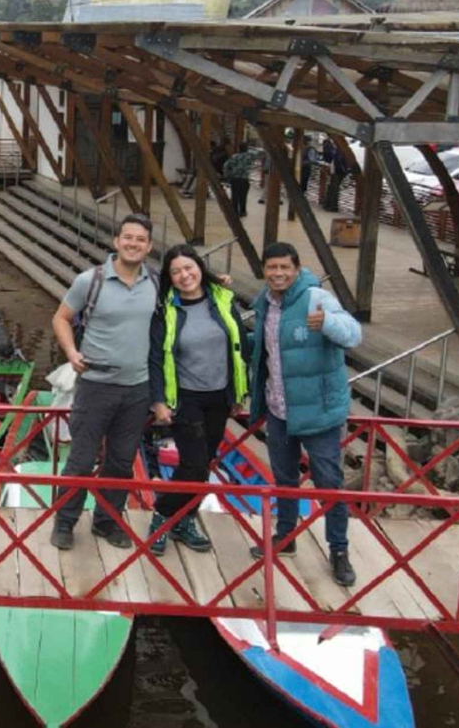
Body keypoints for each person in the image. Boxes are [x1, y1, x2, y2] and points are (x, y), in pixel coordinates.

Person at [247, 241, 363, 587]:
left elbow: (354, 335)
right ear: (264, 270)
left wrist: (327, 322)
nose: (278, 273)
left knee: (330, 484)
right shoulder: (264, 303)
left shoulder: (316, 298)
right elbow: (268, 351)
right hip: (279, 408)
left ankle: (339, 550)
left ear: (296, 269)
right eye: (272, 268)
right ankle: (286, 537)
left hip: (319, 412)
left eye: (285, 267)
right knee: (284, 480)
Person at [50, 213, 162, 551]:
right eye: (127, 237)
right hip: (96, 385)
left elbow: (193, 282)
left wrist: (220, 280)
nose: (133, 244)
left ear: (149, 246)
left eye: (140, 239)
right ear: (116, 242)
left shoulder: (155, 282)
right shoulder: (91, 280)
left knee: (120, 462)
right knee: (81, 460)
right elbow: (61, 318)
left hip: (136, 388)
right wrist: (71, 352)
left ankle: (107, 522)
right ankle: (65, 522)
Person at [144, 244, 251, 555]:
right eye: (176, 271)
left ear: (200, 268)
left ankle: (184, 520)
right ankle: (161, 517)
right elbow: (155, 358)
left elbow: (238, 344)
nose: (184, 275)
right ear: (170, 277)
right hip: (186, 397)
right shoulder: (165, 310)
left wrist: (239, 390)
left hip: (219, 396)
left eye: (188, 268)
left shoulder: (222, 300)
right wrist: (159, 401)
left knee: (204, 464)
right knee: (193, 465)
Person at [222, 145, 256, 216]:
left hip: (235, 179)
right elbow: (261, 153)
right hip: (244, 179)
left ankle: (235, 211)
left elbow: (225, 165)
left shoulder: (234, 157)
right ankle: (242, 211)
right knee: (243, 196)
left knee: (235, 196)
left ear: (239, 149)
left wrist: (227, 175)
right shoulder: (249, 156)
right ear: (246, 149)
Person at [323, 141, 352, 213]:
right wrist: (345, 171)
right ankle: (332, 206)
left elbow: (335, 161)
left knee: (332, 189)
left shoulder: (336, 151)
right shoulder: (340, 152)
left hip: (335, 172)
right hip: (338, 172)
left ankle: (328, 205)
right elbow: (339, 163)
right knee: (334, 190)